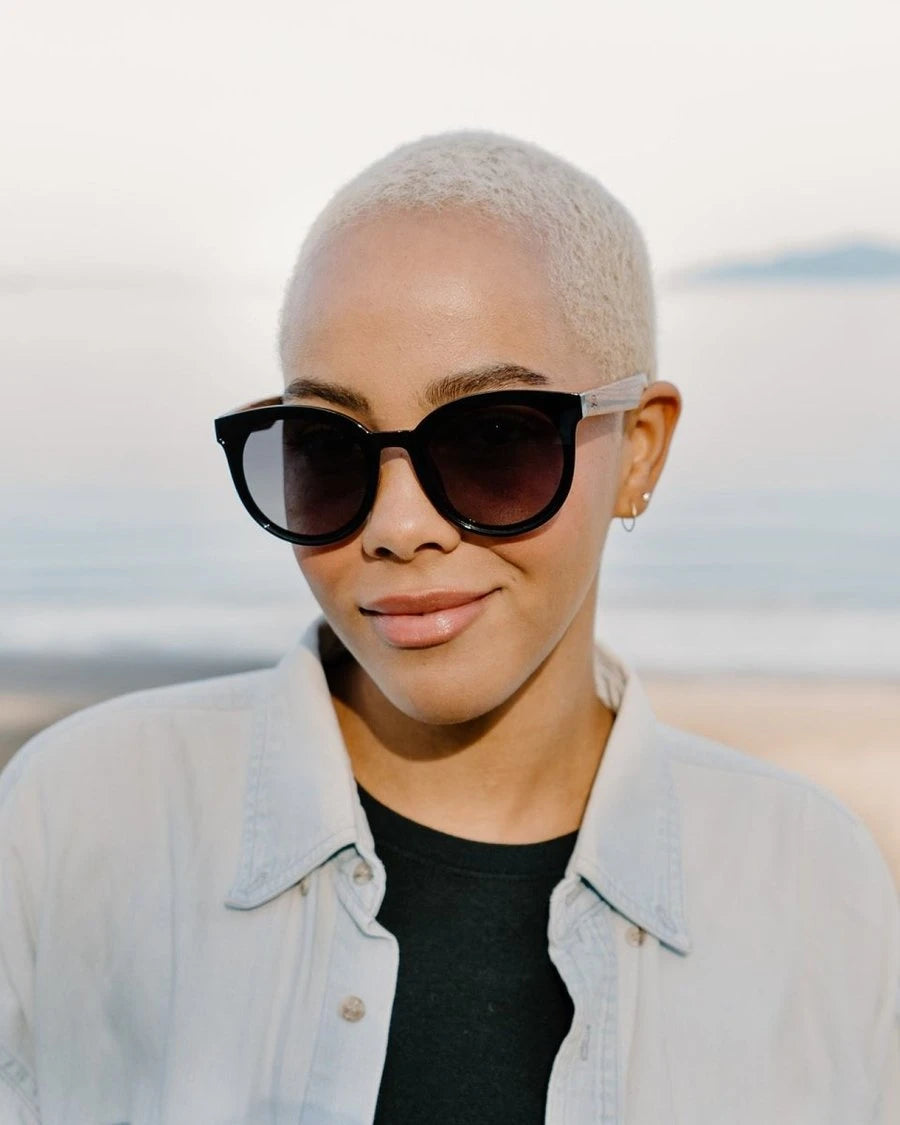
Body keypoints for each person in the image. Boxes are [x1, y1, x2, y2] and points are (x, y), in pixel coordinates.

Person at [1, 130, 897, 1124]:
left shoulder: (816, 886)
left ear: (639, 451)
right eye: (326, 447)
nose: (397, 527)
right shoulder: (75, 820)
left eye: (493, 439)